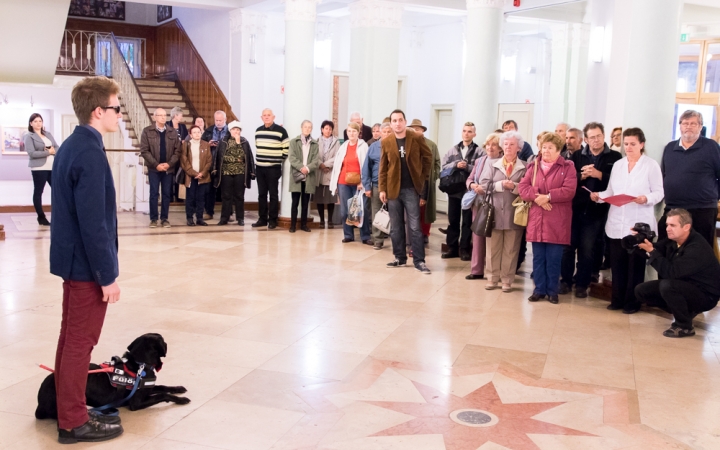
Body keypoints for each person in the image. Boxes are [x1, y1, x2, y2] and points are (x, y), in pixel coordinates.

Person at [50, 76, 124, 443]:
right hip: (86, 268)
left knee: (70, 339)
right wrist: (107, 276)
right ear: (99, 111)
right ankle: (73, 422)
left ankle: (70, 408)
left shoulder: (72, 144)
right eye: (116, 107)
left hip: (73, 261)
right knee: (81, 343)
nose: (120, 115)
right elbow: (95, 225)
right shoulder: (90, 153)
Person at [589, 128, 664, 313]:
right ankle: (617, 300)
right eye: (626, 144)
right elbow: (611, 192)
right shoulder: (619, 165)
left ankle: (632, 303)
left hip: (638, 223)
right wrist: (599, 196)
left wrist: (645, 198)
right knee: (618, 264)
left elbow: (659, 192)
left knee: (635, 267)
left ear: (641, 144)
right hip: (617, 221)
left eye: (632, 144)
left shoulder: (650, 165)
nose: (628, 147)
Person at [635, 209, 720, 338]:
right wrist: (639, 242)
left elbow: (672, 272)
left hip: (706, 295)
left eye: (673, 225)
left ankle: (684, 326)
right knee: (641, 291)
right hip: (686, 286)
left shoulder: (696, 247)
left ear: (686, 227)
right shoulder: (674, 239)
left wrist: (652, 252)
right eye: (667, 225)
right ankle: (686, 312)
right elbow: (656, 248)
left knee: (668, 286)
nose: (668, 229)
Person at [560, 122, 622, 298]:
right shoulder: (577, 156)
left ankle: (582, 283)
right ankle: (565, 281)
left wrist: (599, 175)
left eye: (599, 136)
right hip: (575, 209)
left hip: (597, 211)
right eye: (592, 137)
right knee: (568, 247)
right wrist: (582, 176)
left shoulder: (615, 157)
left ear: (604, 136)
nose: (596, 140)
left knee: (587, 249)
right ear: (586, 139)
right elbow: (568, 179)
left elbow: (618, 182)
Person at [519, 132, 577, 304]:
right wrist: (538, 198)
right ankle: (539, 289)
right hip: (537, 218)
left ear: (559, 150)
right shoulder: (533, 166)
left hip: (557, 220)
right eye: (544, 147)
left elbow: (569, 190)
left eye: (550, 148)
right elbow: (523, 188)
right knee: (537, 258)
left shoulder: (568, 167)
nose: (546, 151)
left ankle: (552, 291)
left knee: (553, 258)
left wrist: (549, 197)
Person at [380, 109, 433, 274]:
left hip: (411, 189)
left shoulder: (416, 138)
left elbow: (428, 157)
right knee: (396, 227)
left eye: (400, 120)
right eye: (394, 121)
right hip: (393, 190)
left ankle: (419, 261)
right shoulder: (387, 141)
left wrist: (421, 175)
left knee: (415, 227)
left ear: (405, 121)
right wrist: (382, 188)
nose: (397, 123)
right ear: (391, 123)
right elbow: (383, 168)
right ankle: (399, 258)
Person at [658, 110, 720, 247]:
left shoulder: (711, 147)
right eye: (685, 123)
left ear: (700, 126)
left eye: (693, 123)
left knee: (701, 249)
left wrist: (714, 196)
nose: (688, 126)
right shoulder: (669, 148)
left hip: (702, 209)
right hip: (673, 208)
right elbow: (664, 175)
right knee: (666, 246)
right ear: (680, 126)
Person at [477, 131, 527, 292]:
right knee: (492, 248)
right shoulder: (492, 164)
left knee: (511, 250)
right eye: (505, 144)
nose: (508, 147)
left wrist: (514, 187)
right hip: (494, 212)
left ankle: (507, 280)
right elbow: (483, 186)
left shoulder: (525, 166)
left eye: (512, 144)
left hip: (515, 214)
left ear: (518, 147)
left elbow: (528, 189)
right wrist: (499, 186)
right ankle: (492, 278)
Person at [441, 122, 483, 261]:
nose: (466, 133)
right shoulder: (453, 150)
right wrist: (456, 164)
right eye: (464, 131)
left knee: (466, 221)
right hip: (454, 190)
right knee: (453, 220)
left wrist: (467, 167)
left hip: (469, 191)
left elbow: (482, 169)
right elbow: (444, 167)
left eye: (470, 131)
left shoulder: (479, 151)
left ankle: (464, 249)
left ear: (474, 134)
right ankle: (452, 248)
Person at [465, 133, 503, 280]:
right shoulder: (480, 161)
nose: (490, 147)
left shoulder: (503, 162)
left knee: (495, 240)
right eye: (488, 144)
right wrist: (472, 185)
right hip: (480, 204)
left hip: (497, 205)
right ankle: (476, 270)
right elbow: (469, 179)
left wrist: (486, 189)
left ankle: (494, 272)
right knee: (478, 237)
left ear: (500, 148)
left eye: (493, 144)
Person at [330, 122, 372, 244]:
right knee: (345, 210)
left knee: (361, 209)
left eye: (354, 131)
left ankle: (365, 236)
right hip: (343, 181)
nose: (351, 133)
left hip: (359, 182)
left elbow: (365, 165)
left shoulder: (363, 146)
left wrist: (362, 181)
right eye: (349, 131)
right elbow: (338, 165)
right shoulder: (343, 146)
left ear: (359, 133)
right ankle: (348, 234)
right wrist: (335, 183)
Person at [139, 108, 181, 228]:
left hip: (168, 168)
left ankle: (164, 218)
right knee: (154, 193)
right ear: (154, 117)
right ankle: (153, 219)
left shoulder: (172, 132)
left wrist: (169, 164)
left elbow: (177, 151)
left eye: (164, 115)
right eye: (160, 115)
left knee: (167, 193)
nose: (163, 117)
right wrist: (156, 165)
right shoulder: (147, 131)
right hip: (154, 168)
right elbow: (144, 150)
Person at [214, 121, 255, 226]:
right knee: (226, 196)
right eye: (234, 129)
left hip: (240, 172)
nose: (236, 131)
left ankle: (240, 218)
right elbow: (220, 157)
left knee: (239, 196)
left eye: (238, 130)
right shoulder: (223, 141)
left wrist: (238, 143)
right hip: (226, 172)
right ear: (230, 130)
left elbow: (245, 157)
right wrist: (235, 159)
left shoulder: (244, 141)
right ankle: (224, 218)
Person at [254, 109, 289, 229]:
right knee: (261, 194)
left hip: (273, 168)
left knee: (273, 194)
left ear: (273, 117)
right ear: (261, 117)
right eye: (264, 115)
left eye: (269, 115)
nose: (267, 117)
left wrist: (276, 159)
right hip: (259, 168)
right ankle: (262, 219)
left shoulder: (281, 131)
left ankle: (273, 220)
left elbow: (286, 149)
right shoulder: (258, 131)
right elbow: (258, 146)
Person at [409, 119, 442, 245]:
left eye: (417, 129)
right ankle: (413, 234)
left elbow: (437, 162)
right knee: (413, 210)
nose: (415, 131)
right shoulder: (409, 143)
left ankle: (425, 233)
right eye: (413, 129)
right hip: (413, 183)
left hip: (427, 182)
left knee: (426, 211)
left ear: (422, 130)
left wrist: (435, 176)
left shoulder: (431, 144)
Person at [23, 113, 58, 226]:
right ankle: (41, 217)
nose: (38, 123)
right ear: (31, 123)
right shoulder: (29, 136)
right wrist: (48, 152)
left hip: (52, 166)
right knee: (39, 192)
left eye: (40, 121)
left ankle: (60, 215)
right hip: (39, 168)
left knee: (58, 190)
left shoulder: (48, 134)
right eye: (35, 121)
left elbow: (56, 146)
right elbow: (32, 153)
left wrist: (53, 151)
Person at [363, 122, 393, 249]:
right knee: (376, 212)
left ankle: (395, 237)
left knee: (394, 212)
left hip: (393, 185)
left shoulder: (396, 146)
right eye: (384, 132)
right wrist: (367, 186)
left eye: (388, 132)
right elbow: (366, 168)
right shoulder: (373, 147)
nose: (386, 134)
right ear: (380, 133)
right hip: (376, 184)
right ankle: (378, 240)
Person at [288, 120, 320, 233]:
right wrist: (302, 167)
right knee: (295, 202)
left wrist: (308, 168)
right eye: (305, 127)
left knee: (305, 203)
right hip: (297, 175)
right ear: (301, 128)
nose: (307, 129)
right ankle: (292, 225)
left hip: (308, 175)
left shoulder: (315, 143)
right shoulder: (294, 142)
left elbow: (316, 160)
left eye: (309, 127)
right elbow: (291, 158)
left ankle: (304, 224)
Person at [180, 125, 212, 226]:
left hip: (203, 176)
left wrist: (202, 173)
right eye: (194, 132)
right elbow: (184, 161)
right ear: (190, 134)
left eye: (198, 132)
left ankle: (199, 218)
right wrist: (194, 173)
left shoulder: (206, 145)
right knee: (190, 198)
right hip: (190, 176)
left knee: (201, 198)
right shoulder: (186, 144)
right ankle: (189, 218)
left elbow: (209, 161)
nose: (197, 134)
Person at [201, 111, 228, 219]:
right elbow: (201, 145)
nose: (218, 122)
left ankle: (227, 213)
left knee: (226, 190)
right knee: (210, 190)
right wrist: (208, 144)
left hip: (226, 164)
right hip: (211, 164)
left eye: (220, 120)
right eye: (216, 120)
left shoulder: (231, 131)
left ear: (225, 120)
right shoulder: (208, 131)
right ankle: (209, 212)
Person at [315, 120, 340, 229]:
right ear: (322, 129)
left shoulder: (336, 142)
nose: (328, 131)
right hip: (319, 172)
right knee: (319, 198)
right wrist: (320, 164)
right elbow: (314, 155)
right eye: (326, 128)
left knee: (330, 199)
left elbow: (337, 156)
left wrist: (326, 165)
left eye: (330, 129)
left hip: (330, 171)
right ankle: (321, 220)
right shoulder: (316, 141)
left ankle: (330, 221)